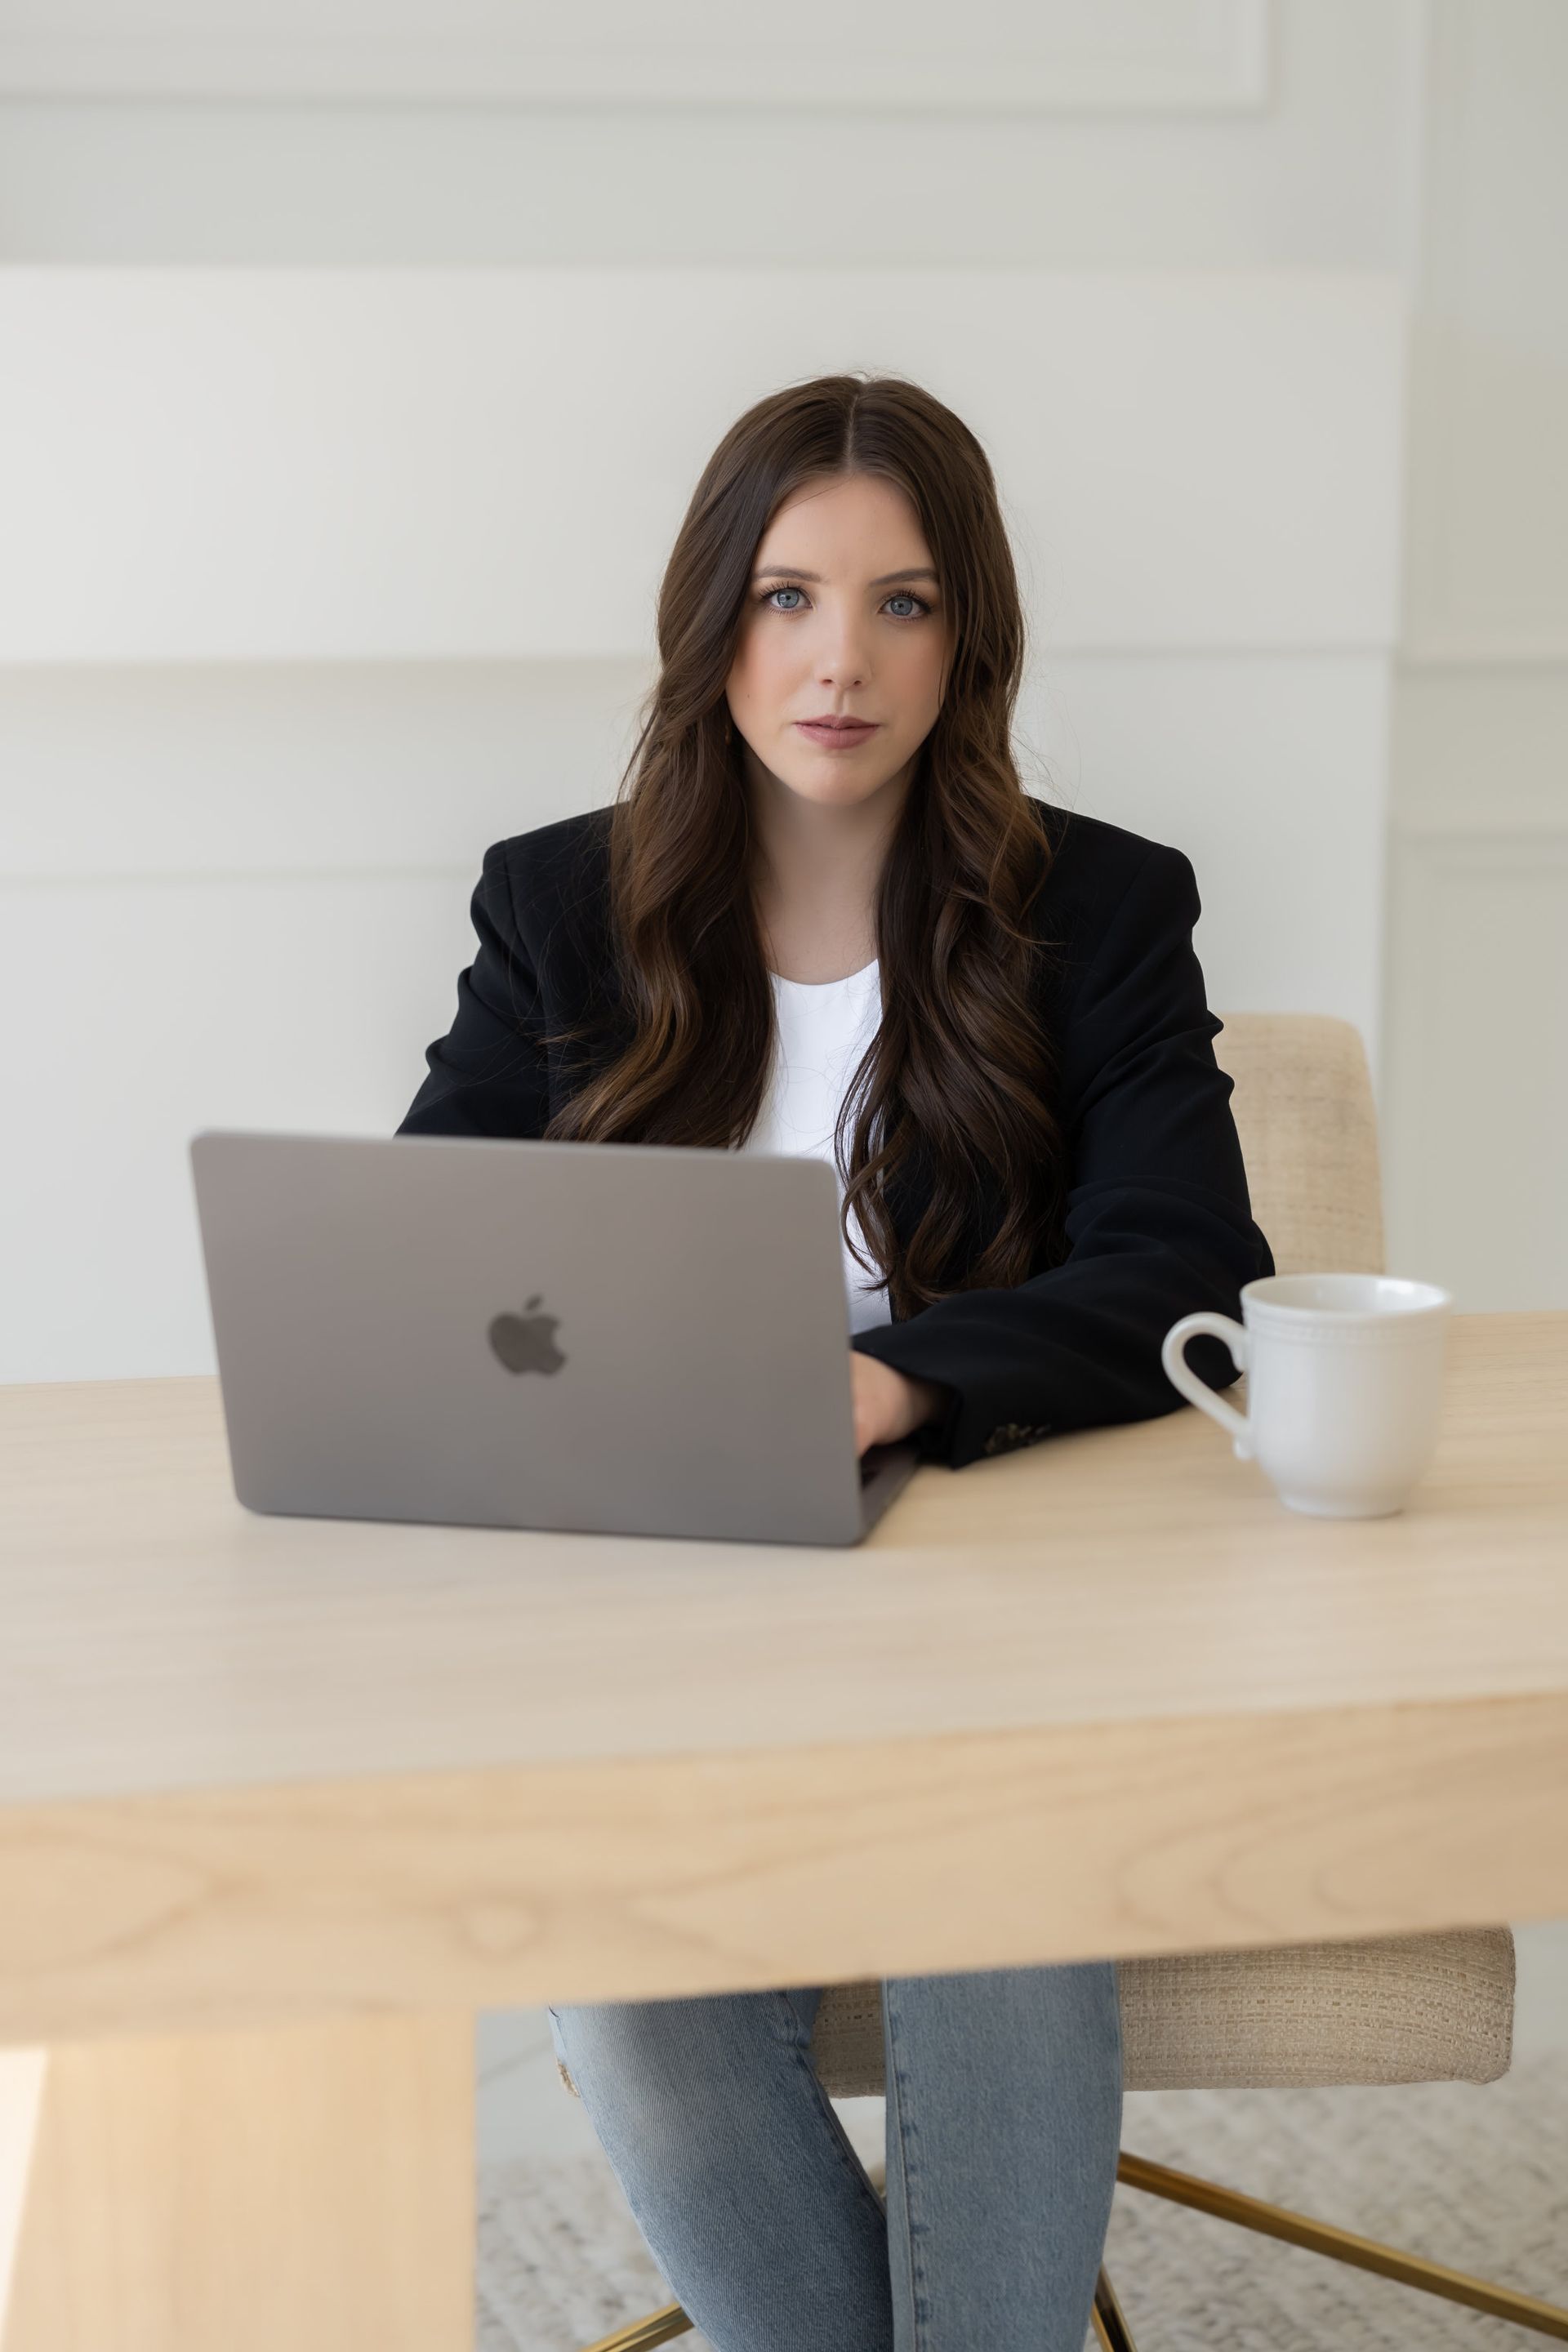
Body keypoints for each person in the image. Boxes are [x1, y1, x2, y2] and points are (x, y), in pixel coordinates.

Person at [397, 372, 1273, 2352]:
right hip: (663, 1623)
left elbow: (1193, 1259)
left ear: (971, 639)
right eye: (789, 596)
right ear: (714, 624)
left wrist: (901, 1380)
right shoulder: (557, 906)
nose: (839, 660)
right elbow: (430, 1256)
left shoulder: (1101, 908)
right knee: (632, 1985)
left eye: (903, 603)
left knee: (1003, 1923)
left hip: (999, 1632)